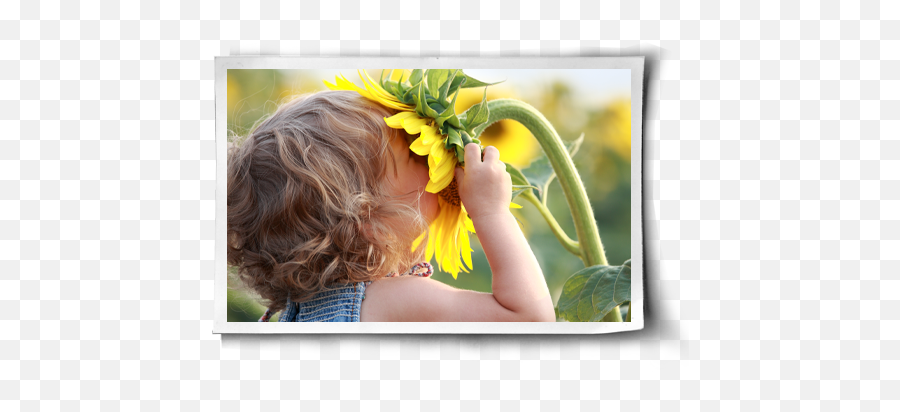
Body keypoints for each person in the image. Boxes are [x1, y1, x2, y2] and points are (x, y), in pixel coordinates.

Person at [227, 90, 555, 322]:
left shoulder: (298, 313)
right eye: (415, 153)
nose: (431, 163)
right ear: (374, 223)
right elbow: (530, 319)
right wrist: (491, 211)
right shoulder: (392, 301)